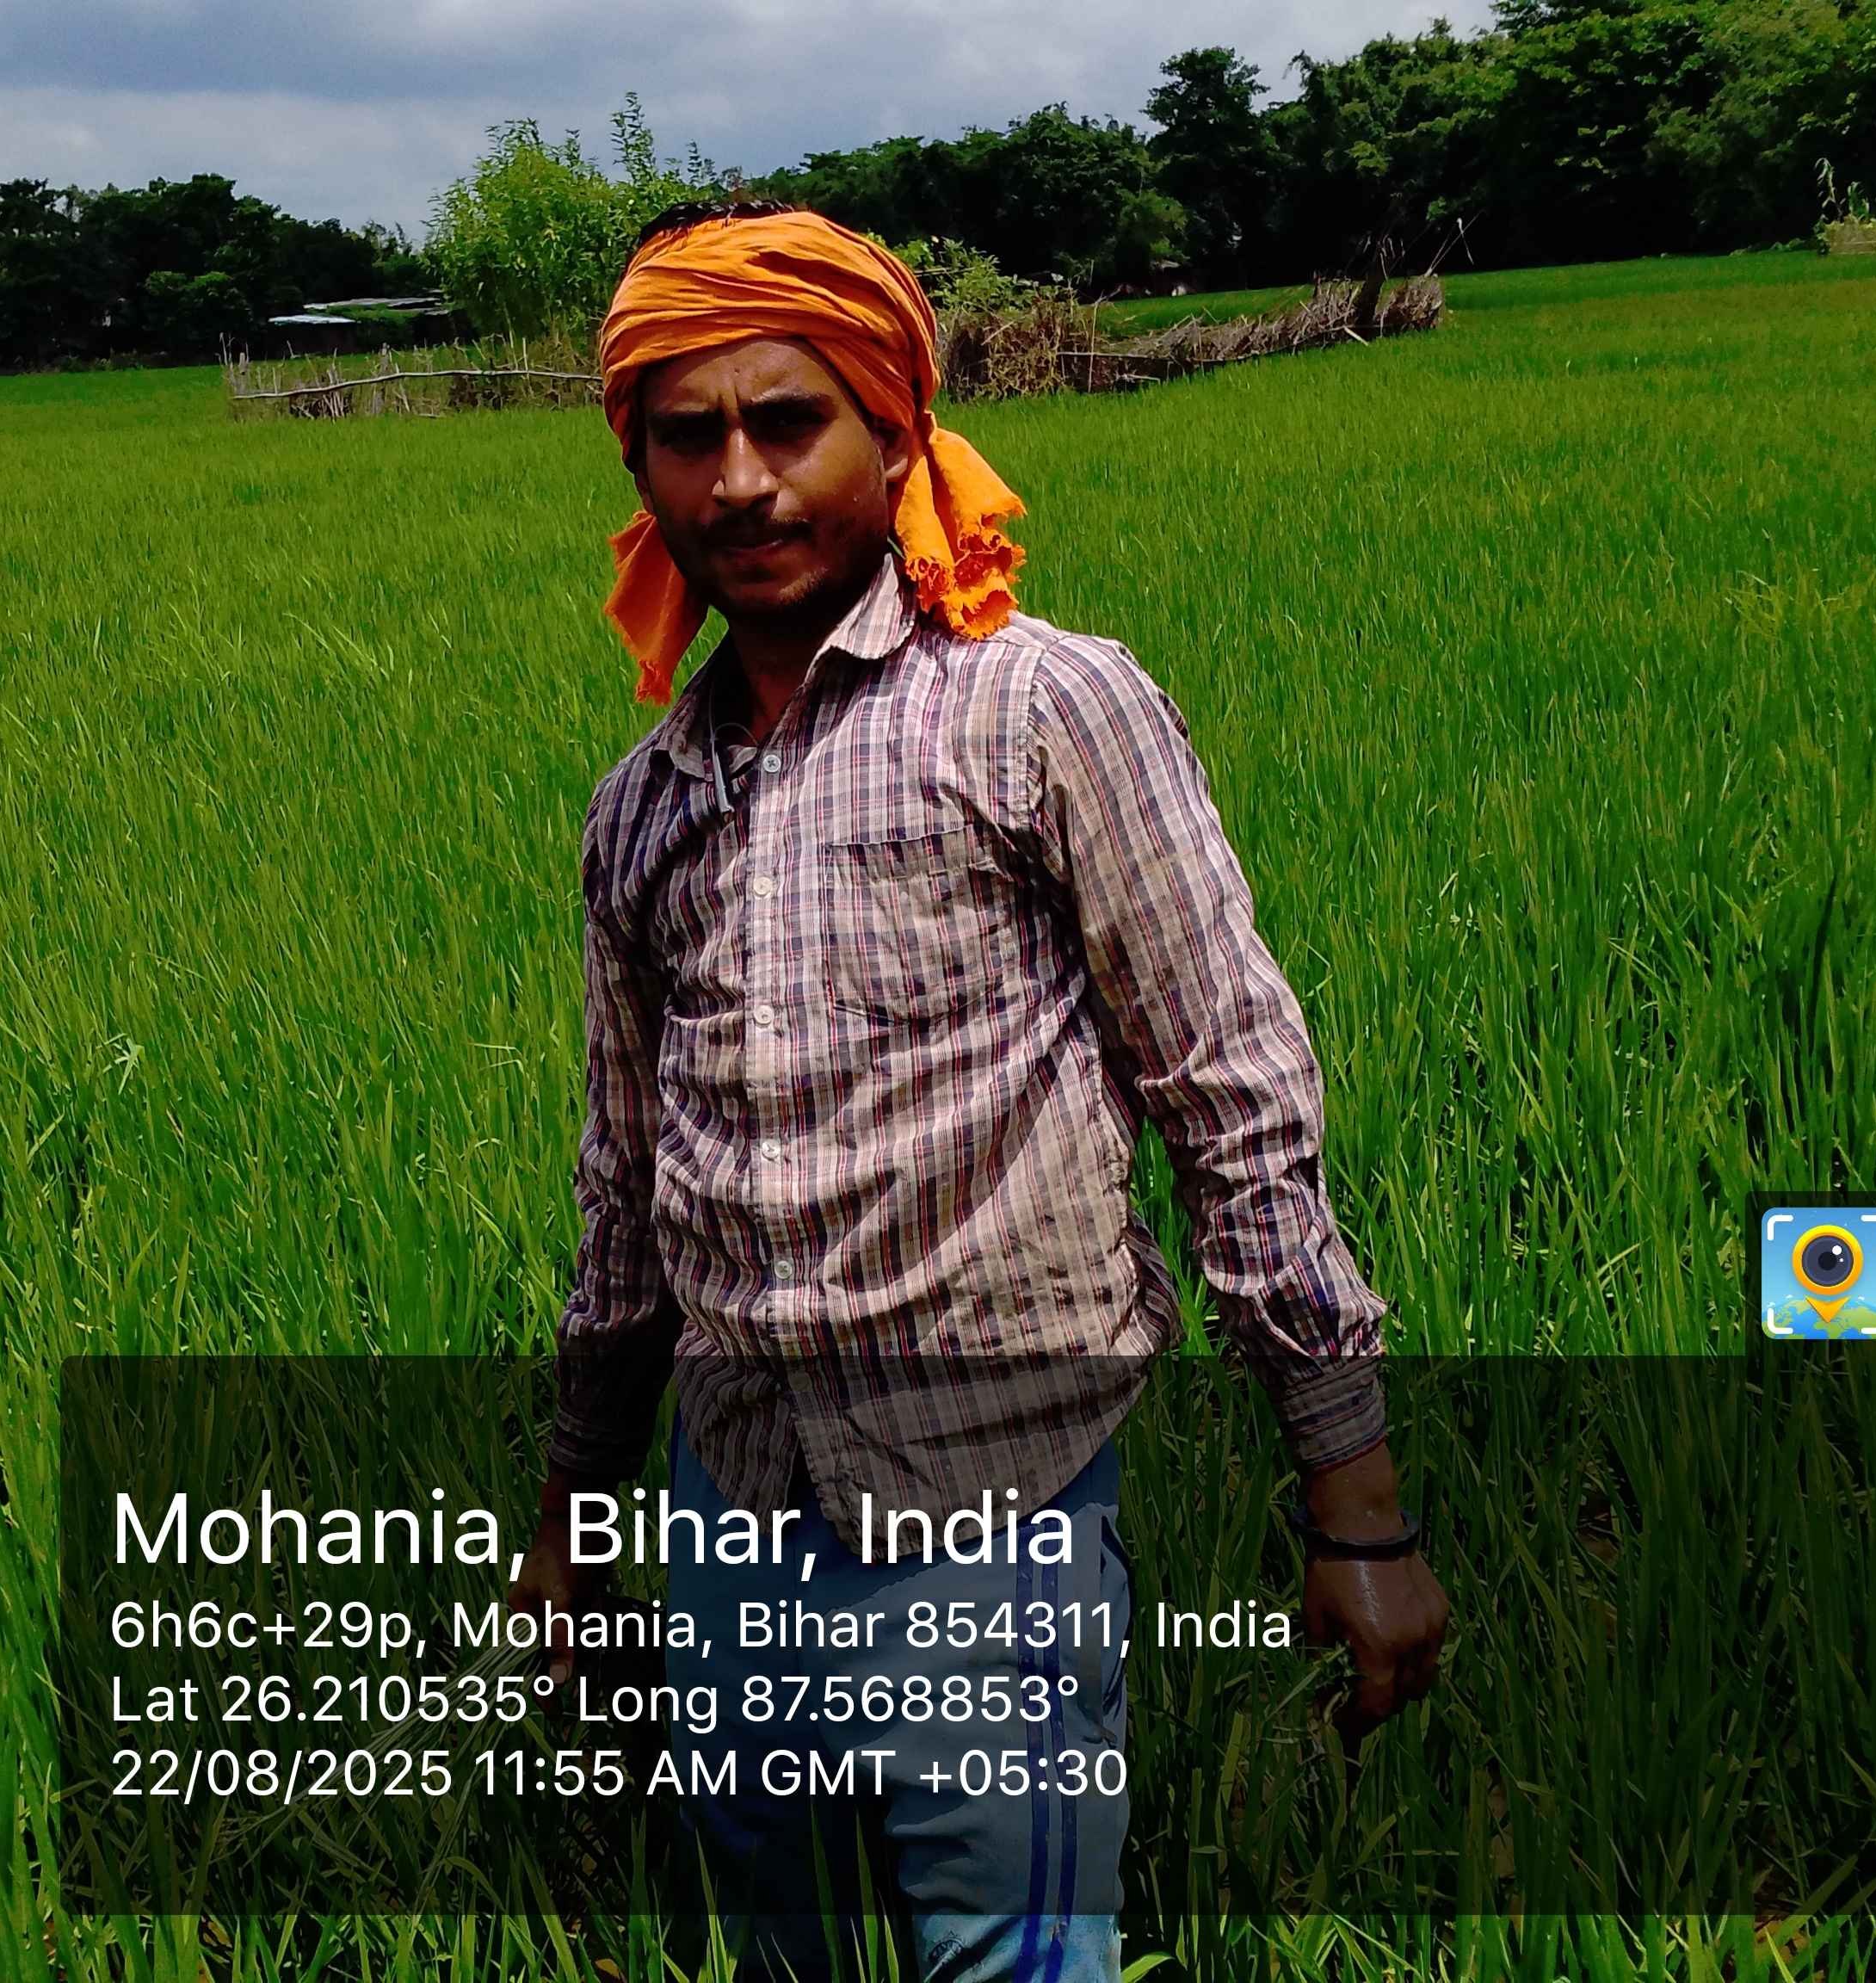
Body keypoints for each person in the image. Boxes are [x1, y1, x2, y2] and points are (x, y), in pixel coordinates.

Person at [507, 200, 1447, 1981]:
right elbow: (625, 1206)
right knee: (784, 1956)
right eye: (688, 437)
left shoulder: (1040, 714)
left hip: (991, 1516)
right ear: (638, 469)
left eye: (788, 423)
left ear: (892, 435)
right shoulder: (639, 810)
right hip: (727, 1516)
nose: (740, 483)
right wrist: (575, 1531)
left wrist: (1360, 1507)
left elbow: (1231, 1099)